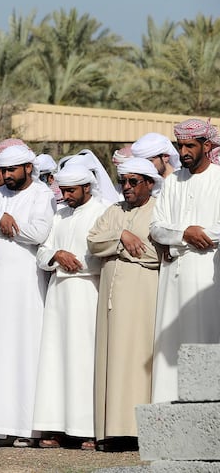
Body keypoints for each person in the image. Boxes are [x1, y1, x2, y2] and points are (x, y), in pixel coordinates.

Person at [0, 144, 56, 447]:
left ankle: (24, 428)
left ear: (28, 168)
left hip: (25, 286)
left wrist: (6, 228)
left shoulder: (42, 195)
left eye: (11, 170)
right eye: (2, 171)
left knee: (22, 350)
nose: (5, 176)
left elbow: (39, 233)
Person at [88, 157, 161, 452]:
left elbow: (154, 255)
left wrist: (119, 250)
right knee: (111, 361)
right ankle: (112, 431)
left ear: (149, 183)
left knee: (136, 361)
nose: (126, 188)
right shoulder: (113, 211)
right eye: (123, 182)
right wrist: (121, 238)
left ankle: (135, 430)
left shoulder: (157, 211)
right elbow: (93, 242)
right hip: (111, 301)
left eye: (133, 182)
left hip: (142, 299)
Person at [32, 165, 108, 450]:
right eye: (63, 191)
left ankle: (87, 428)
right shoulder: (59, 214)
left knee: (83, 360)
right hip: (59, 294)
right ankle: (56, 427)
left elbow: (105, 254)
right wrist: (56, 255)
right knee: (55, 360)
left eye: (71, 191)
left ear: (87, 187)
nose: (65, 196)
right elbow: (42, 253)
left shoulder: (103, 211)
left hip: (87, 292)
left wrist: (75, 262)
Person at [150, 119, 220, 403]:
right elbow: (156, 227)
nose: (184, 151)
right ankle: (167, 410)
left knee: (204, 336)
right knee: (171, 341)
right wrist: (185, 234)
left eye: (190, 145)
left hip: (207, 272)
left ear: (206, 146)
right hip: (173, 273)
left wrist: (199, 235)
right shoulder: (172, 182)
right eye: (180, 146)